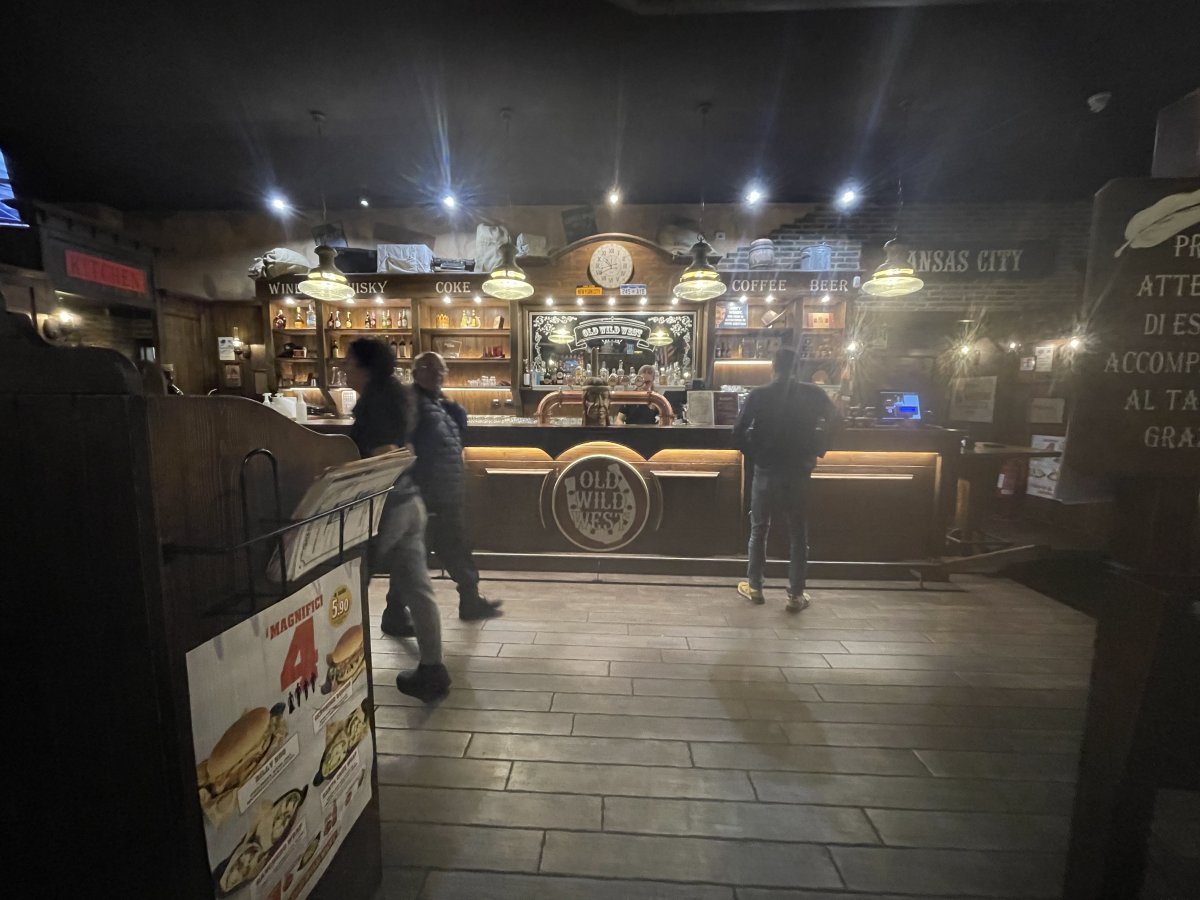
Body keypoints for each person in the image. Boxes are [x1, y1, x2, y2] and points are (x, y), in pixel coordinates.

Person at [345, 338, 450, 703]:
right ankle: (433, 670)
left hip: (385, 508)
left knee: (350, 584)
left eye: (349, 363)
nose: (344, 369)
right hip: (410, 501)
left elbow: (384, 455)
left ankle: (341, 671)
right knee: (419, 589)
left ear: (365, 368)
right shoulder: (399, 396)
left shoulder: (374, 405)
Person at [732, 346, 838, 612]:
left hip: (766, 469)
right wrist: (819, 447)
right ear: (797, 367)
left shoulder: (759, 394)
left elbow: (738, 432)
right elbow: (838, 420)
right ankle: (796, 595)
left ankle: (755, 587)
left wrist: (756, 453)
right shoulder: (814, 393)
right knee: (798, 533)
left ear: (773, 367)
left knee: (759, 529)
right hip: (798, 470)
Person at [410, 351, 503, 620]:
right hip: (430, 492)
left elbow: (459, 426)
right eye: (428, 368)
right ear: (415, 373)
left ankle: (469, 601)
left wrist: (447, 401)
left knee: (447, 549)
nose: (436, 374)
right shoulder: (411, 403)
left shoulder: (437, 403)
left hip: (445, 490)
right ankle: (396, 612)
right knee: (421, 554)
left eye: (441, 369)